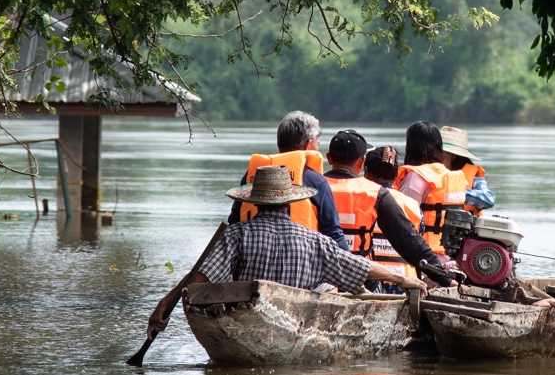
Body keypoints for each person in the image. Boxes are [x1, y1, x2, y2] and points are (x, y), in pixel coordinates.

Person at [191, 166, 429, 295]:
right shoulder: (315, 241)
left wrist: (168, 302)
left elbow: (200, 283)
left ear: (254, 201)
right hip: (298, 317)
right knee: (329, 289)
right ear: (290, 202)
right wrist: (402, 279)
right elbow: (360, 266)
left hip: (246, 307)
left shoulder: (235, 235)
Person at [228, 110, 349, 250]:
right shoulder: (315, 181)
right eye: (318, 143)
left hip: (251, 253)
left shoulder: (255, 175)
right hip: (301, 259)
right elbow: (332, 232)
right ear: (308, 144)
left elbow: (234, 221)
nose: (318, 148)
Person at [361, 145, 451, 279]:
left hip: (372, 279)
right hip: (406, 282)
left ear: (366, 172)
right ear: (396, 174)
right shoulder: (413, 205)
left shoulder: (361, 202)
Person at [395, 121, 469, 254]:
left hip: (423, 254)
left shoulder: (416, 176)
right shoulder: (453, 176)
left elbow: (402, 220)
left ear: (411, 146)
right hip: (450, 254)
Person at [439, 125, 495, 214]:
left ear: (452, 156)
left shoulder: (474, 178)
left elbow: (489, 199)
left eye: (439, 153)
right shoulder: (433, 175)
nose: (434, 157)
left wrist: (455, 193)